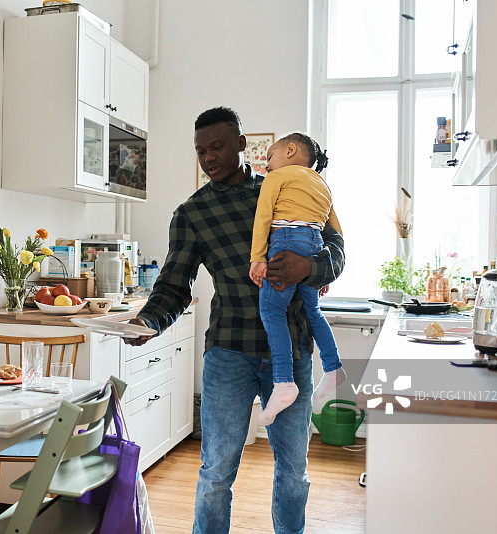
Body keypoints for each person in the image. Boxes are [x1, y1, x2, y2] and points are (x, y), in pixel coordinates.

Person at [125, 107, 345, 534]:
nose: (208, 158)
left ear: (244, 144)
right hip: (229, 352)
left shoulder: (286, 186)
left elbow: (335, 249)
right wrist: (149, 322)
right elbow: (173, 285)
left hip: (292, 351)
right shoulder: (191, 214)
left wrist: (309, 269)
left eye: (218, 146)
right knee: (215, 473)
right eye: (200, 151)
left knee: (293, 473)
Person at [249, 132, 347, 425]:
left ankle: (283, 383)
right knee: (312, 310)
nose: (267, 166)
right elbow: (337, 233)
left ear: (290, 150)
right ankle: (333, 368)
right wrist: (321, 268)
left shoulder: (276, 178)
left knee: (270, 309)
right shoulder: (322, 185)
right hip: (314, 243)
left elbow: (263, 217)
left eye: (269, 158)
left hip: (285, 238)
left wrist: (258, 258)